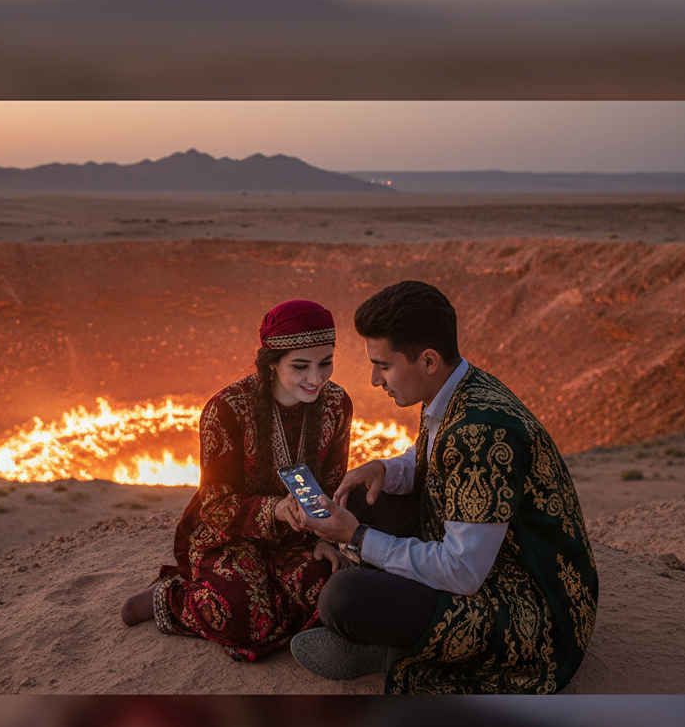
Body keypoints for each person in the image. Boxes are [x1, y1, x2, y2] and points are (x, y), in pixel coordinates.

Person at [289, 280, 598, 693]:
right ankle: (395, 629)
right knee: (357, 496)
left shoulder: (481, 432)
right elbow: (433, 459)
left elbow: (463, 571)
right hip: (491, 562)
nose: (374, 380)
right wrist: (385, 468)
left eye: (383, 365)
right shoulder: (457, 390)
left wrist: (358, 537)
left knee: (343, 598)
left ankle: (394, 648)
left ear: (429, 361)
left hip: (533, 609)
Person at [121, 299, 353, 661]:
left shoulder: (338, 403)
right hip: (228, 535)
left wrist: (327, 540)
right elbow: (214, 503)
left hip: (298, 537)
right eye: (300, 366)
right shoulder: (225, 409)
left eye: (326, 363)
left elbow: (332, 484)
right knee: (246, 618)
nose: (316, 378)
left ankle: (263, 596)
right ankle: (170, 598)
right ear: (271, 364)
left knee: (334, 592)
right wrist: (275, 509)